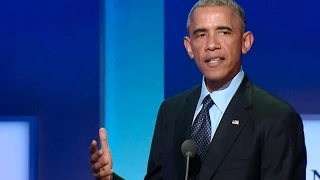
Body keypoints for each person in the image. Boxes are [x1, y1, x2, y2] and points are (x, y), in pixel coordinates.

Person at [90, 0, 307, 179]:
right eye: (201, 35)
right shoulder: (171, 111)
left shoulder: (276, 118)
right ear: (189, 47)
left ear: (245, 42)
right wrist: (109, 178)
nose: (211, 44)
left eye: (223, 32)